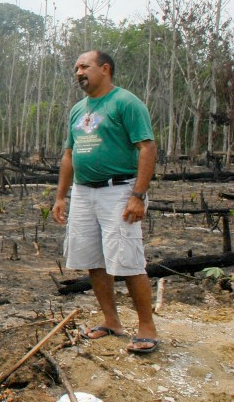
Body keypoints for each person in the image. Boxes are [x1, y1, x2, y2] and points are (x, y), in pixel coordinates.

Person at [52, 50, 160, 353]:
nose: (78, 72)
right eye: (75, 68)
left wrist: (137, 196)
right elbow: (69, 155)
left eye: (84, 66)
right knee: (93, 260)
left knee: (128, 258)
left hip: (119, 191)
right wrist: (61, 196)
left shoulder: (125, 102)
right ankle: (111, 321)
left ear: (105, 68)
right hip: (84, 192)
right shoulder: (77, 110)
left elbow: (147, 147)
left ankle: (146, 327)